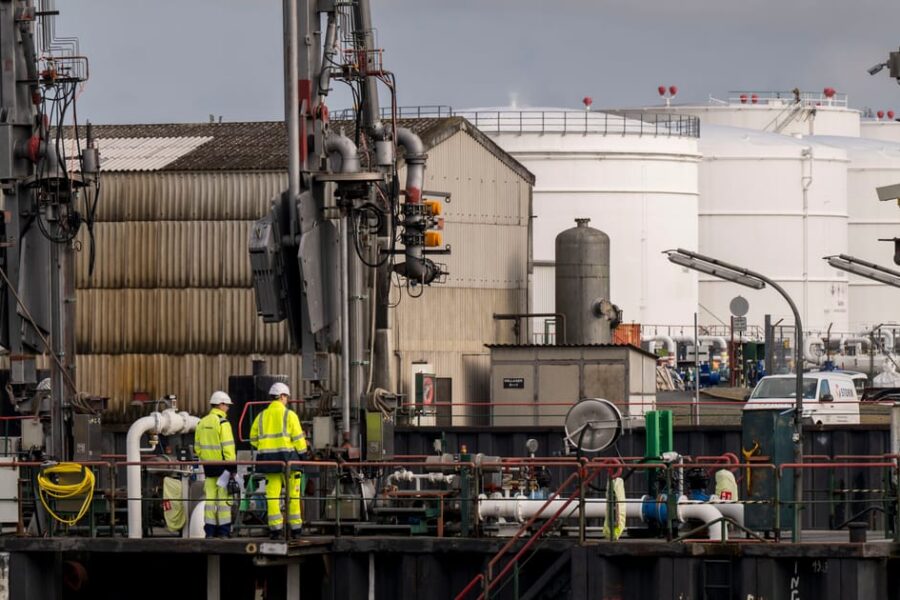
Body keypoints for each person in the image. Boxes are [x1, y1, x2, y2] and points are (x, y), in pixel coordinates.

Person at [249, 382, 308, 540]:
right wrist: (303, 456)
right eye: (286, 397)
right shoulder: (289, 415)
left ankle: (275, 530)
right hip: (289, 462)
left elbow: (253, 439)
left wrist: (265, 446)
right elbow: (298, 440)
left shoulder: (261, 416)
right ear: (282, 396)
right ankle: (295, 529)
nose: (287, 400)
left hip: (269, 462)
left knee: (272, 496)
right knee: (293, 495)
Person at [194, 391, 236, 538]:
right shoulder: (223, 423)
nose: (228, 408)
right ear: (221, 404)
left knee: (210, 500)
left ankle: (210, 533)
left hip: (208, 467)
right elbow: (228, 447)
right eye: (227, 406)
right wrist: (232, 468)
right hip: (223, 468)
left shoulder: (201, 422)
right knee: (224, 500)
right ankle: (224, 532)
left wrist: (206, 459)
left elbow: (197, 448)